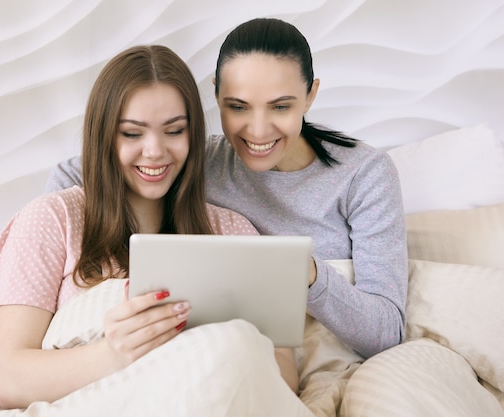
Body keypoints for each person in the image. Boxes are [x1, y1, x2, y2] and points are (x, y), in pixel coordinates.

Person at [0, 44, 306, 414]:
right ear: (104, 137)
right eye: (132, 134)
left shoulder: (232, 232)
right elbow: (11, 382)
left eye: (174, 131)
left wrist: (202, 347)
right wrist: (114, 353)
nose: (155, 151)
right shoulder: (52, 219)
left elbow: (280, 383)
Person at [46, 18, 408, 360]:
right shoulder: (196, 159)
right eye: (238, 107)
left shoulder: (364, 174)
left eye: (280, 107)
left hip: (321, 354)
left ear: (310, 95)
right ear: (217, 96)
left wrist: (307, 271)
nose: (258, 130)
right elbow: (74, 174)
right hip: (228, 351)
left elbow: (388, 331)